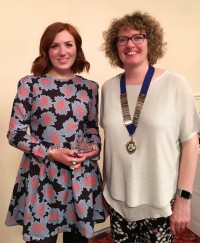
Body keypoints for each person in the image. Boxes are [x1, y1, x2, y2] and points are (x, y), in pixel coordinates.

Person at [100, 11, 200, 242]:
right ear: (115, 47)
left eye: (138, 37)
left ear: (150, 41)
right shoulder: (108, 88)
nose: (130, 44)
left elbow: (190, 142)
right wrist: (105, 189)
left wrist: (184, 198)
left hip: (159, 203)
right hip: (118, 201)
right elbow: (111, 141)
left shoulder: (175, 84)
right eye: (122, 39)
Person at [6, 22, 106, 243]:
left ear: (77, 49)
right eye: (55, 46)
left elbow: (90, 128)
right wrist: (51, 152)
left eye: (68, 44)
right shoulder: (29, 84)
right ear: (46, 51)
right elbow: (16, 132)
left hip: (79, 176)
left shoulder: (89, 87)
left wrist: (92, 148)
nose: (62, 52)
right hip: (41, 177)